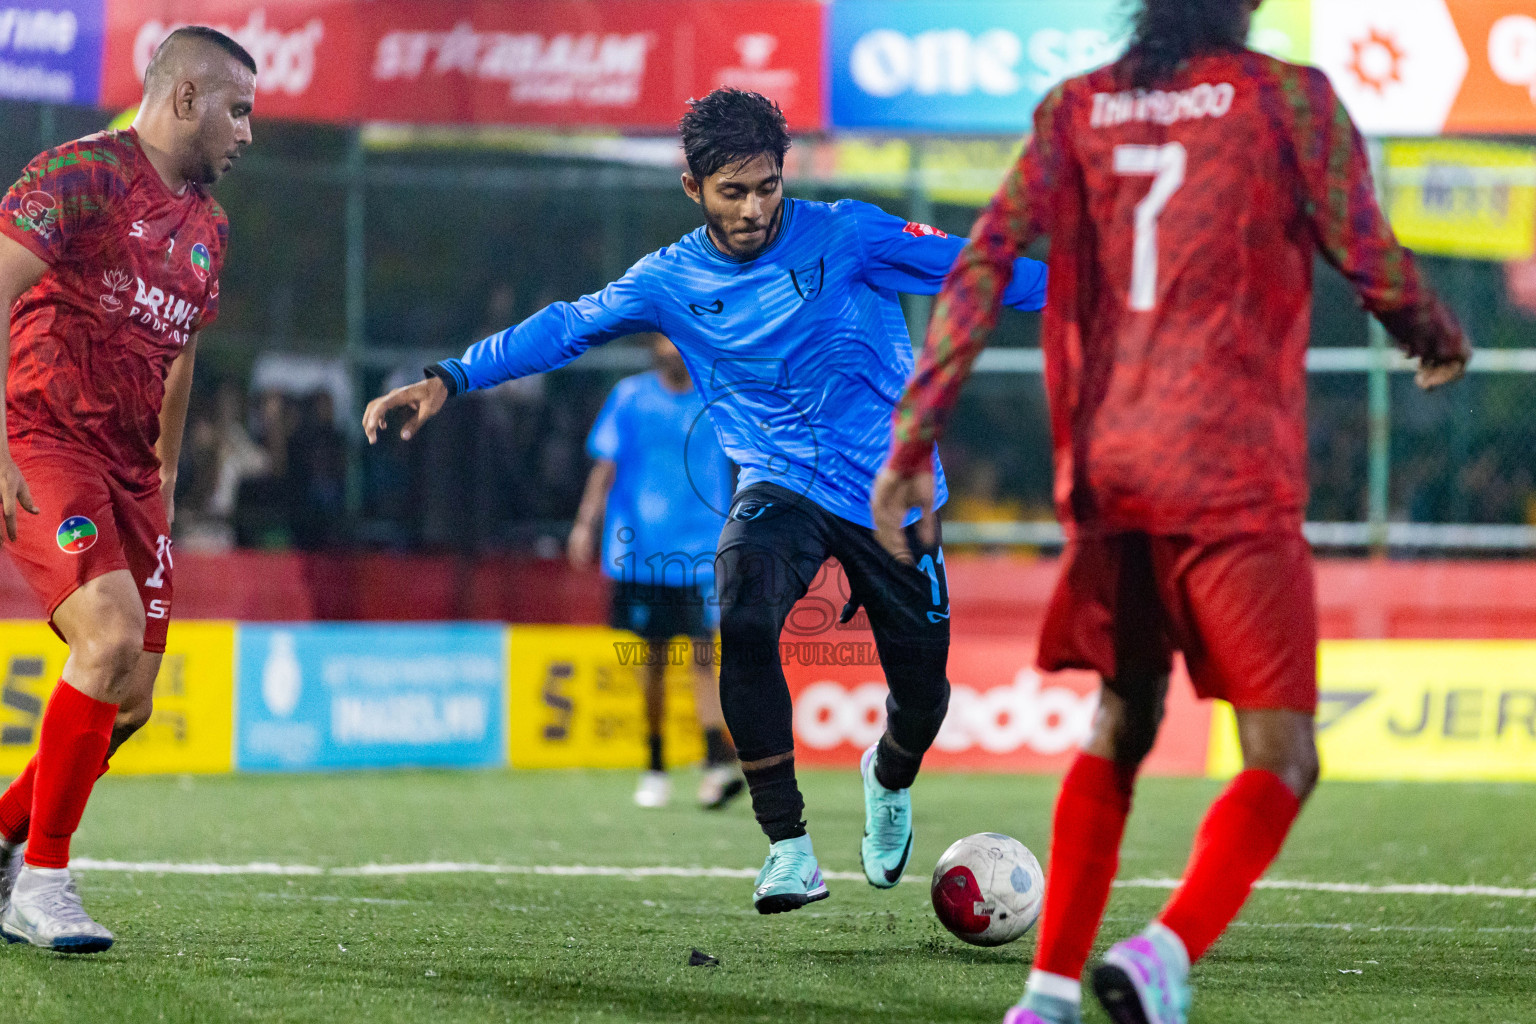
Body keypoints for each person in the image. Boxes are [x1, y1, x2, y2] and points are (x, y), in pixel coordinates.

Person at [871, 1, 1470, 1022]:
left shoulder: (1076, 109)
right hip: (1228, 465)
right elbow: (1363, 249)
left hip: (1109, 471)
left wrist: (914, 438)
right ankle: (1162, 953)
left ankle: (1048, 994)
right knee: (1285, 753)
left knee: (1125, 712)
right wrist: (1434, 331)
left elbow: (980, 266)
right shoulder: (1288, 100)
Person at [364, 87, 1048, 914]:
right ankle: (789, 847)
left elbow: (984, 269)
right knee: (743, 604)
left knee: (925, 696)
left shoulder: (849, 233)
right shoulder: (668, 279)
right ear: (692, 186)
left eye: (768, 186)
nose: (755, 207)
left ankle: (888, 774)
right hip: (778, 483)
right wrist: (452, 376)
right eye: (733, 191)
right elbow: (566, 324)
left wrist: (1110, 295)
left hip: (890, 489)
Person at [0, 26, 253, 952]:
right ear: (184, 98)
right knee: (105, 636)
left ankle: (3, 834)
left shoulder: (210, 229)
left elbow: (181, 354)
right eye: (239, 109)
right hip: (42, 437)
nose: (248, 133)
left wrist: (169, 477)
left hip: (131, 469)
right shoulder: (81, 174)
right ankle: (44, 880)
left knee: (134, 697)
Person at [568, 333, 743, 811]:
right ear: (652, 347)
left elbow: (749, 458)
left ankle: (713, 767)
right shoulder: (629, 397)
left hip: (703, 549)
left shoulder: (718, 396)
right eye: (662, 342)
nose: (670, 350)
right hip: (640, 550)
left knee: (705, 658)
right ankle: (655, 764)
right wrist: (586, 523)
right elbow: (605, 467)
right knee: (652, 664)